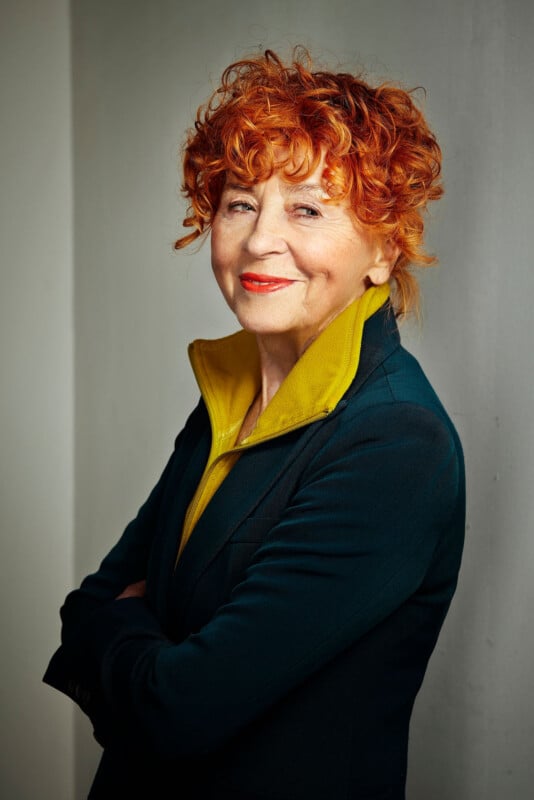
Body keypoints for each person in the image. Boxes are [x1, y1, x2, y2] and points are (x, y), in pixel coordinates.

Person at [44, 48, 465, 799]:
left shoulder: (396, 443)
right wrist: (129, 640)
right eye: (240, 201)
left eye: (306, 208)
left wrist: (119, 633)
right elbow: (85, 604)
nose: (260, 240)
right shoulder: (229, 396)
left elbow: (176, 707)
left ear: (384, 250)